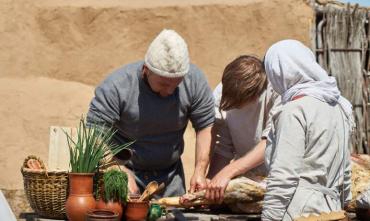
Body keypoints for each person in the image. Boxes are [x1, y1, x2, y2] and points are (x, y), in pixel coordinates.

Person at [86, 29, 215, 197]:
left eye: (176, 84)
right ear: (146, 69)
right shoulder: (117, 86)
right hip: (124, 172)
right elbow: (93, 131)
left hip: (170, 178)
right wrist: (115, 169)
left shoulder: (194, 81)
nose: (169, 91)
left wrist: (200, 169)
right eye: (163, 84)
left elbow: (206, 126)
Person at [261, 40, 353, 221]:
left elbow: (284, 176)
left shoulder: (294, 110)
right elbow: (346, 173)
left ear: (279, 71)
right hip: (331, 210)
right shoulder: (340, 108)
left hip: (298, 211)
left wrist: (270, 217)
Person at [205, 55, 280, 202]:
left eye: (238, 103)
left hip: (276, 181)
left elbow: (270, 142)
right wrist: (211, 180)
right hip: (245, 181)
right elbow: (223, 148)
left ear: (254, 96)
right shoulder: (222, 93)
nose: (232, 105)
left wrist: (228, 172)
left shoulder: (275, 91)